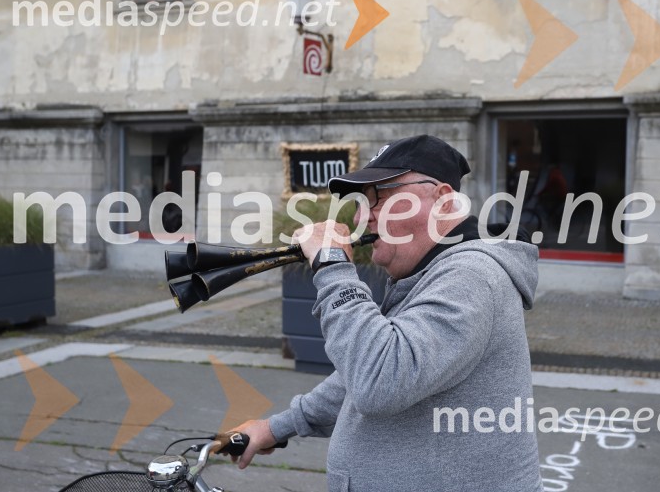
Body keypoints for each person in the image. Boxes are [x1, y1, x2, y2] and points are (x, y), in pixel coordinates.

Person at [229, 135, 542, 491]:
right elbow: (359, 371)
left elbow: (379, 380)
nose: (362, 217)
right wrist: (275, 428)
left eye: (381, 196)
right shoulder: (429, 273)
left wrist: (332, 266)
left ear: (440, 199)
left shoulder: (470, 277)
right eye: (362, 201)